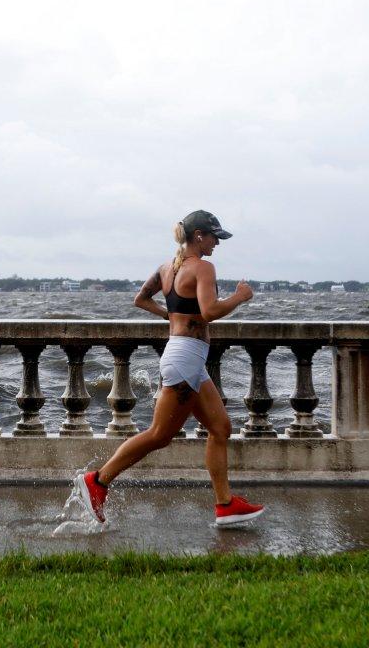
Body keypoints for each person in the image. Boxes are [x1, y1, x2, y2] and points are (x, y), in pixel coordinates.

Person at [75, 210, 264, 527]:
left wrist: (171, 317)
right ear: (199, 236)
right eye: (214, 236)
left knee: (220, 428)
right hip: (186, 357)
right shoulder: (203, 268)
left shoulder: (167, 268)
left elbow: (141, 298)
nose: (217, 243)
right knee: (160, 434)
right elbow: (210, 311)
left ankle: (225, 505)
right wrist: (240, 297)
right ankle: (97, 481)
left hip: (185, 355)